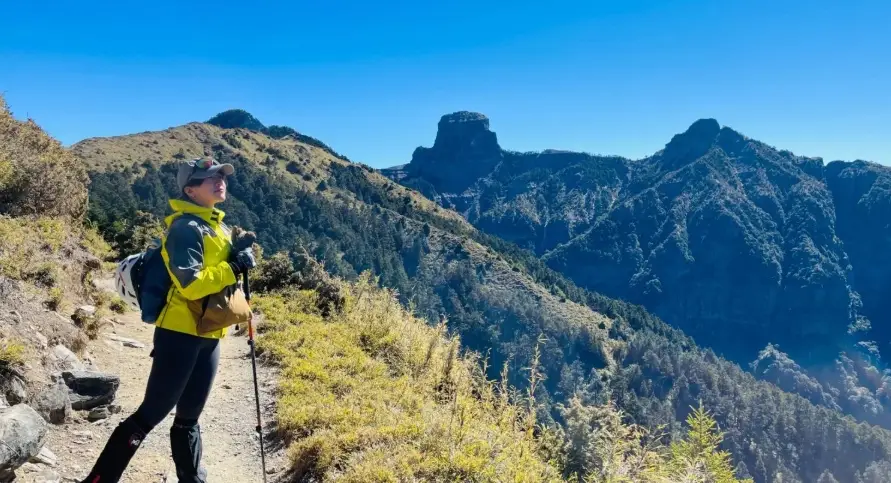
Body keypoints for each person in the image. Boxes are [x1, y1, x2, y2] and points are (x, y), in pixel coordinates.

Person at [80, 156, 258, 483]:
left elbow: (215, 272)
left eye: (222, 177)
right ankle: (98, 480)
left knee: (189, 418)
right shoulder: (186, 228)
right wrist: (234, 267)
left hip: (210, 333)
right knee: (150, 415)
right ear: (190, 189)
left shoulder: (216, 225)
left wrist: (237, 253)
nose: (220, 181)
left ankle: (192, 480)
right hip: (179, 334)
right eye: (209, 179)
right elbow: (191, 285)